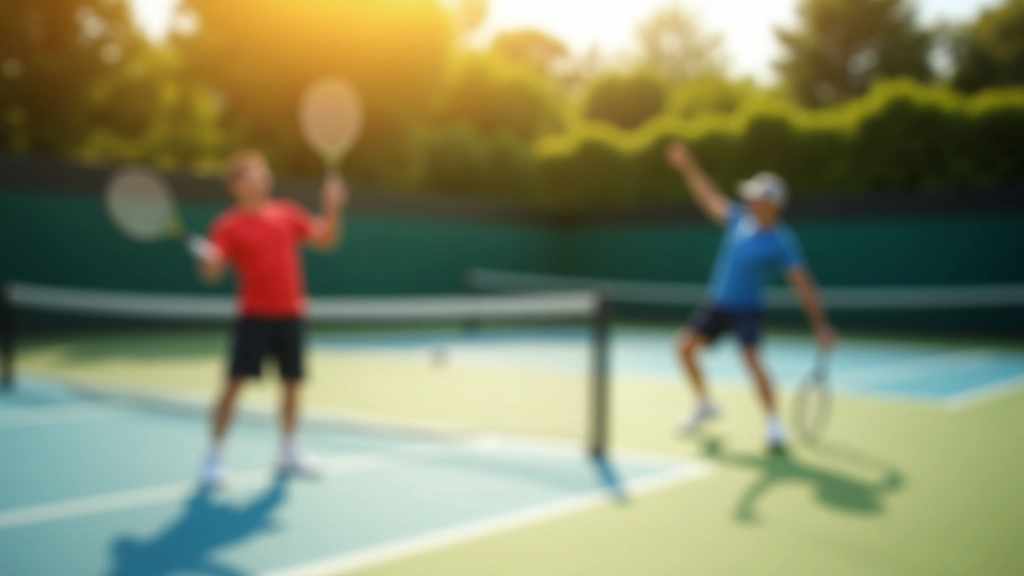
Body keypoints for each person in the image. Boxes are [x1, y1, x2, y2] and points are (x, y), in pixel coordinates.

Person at [664, 141, 836, 451]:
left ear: (773, 204)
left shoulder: (782, 241)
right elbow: (709, 197)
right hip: (717, 303)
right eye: (752, 197)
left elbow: (803, 284)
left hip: (748, 309)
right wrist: (688, 166)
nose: (751, 200)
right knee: (684, 347)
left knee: (752, 360)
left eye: (758, 197)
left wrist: (821, 324)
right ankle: (704, 404)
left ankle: (774, 424)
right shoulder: (738, 218)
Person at [193, 150, 346, 487]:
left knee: (292, 385)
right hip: (254, 318)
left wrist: (332, 206)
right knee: (234, 386)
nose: (263, 178)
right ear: (236, 185)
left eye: (265, 172)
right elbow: (211, 274)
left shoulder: (287, 214)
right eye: (253, 174)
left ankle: (288, 450)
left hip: (291, 315)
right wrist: (208, 259)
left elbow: (327, 239)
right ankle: (214, 456)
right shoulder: (227, 225)